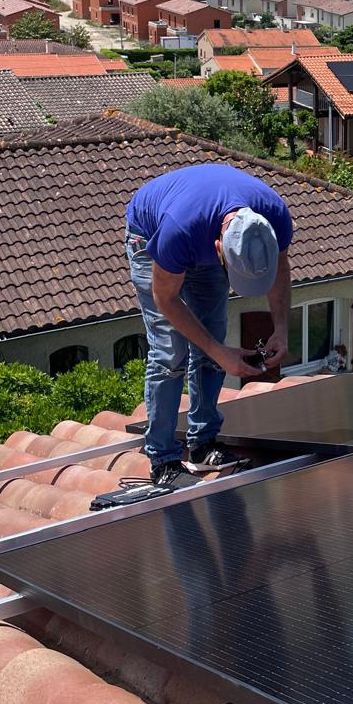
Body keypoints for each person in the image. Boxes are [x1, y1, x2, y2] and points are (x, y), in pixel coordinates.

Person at [123, 161, 294, 490]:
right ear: (219, 249)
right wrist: (220, 354)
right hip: (149, 238)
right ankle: (163, 460)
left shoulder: (274, 215)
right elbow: (166, 299)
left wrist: (281, 328)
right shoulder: (177, 231)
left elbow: (280, 271)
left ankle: (203, 442)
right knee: (170, 352)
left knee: (212, 336)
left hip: (201, 231)